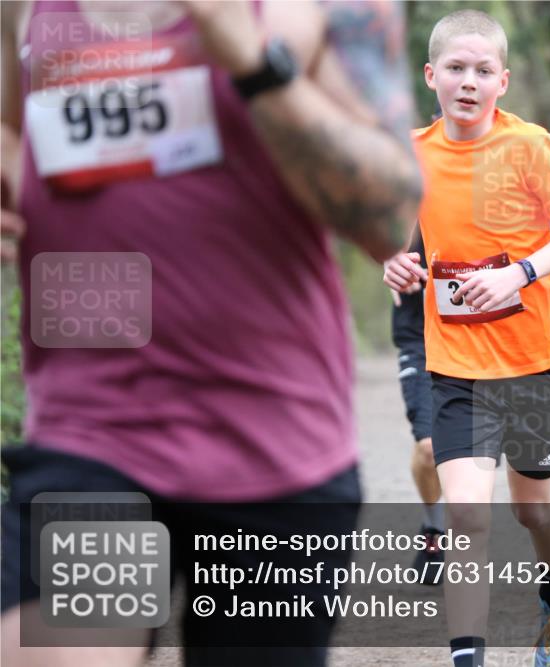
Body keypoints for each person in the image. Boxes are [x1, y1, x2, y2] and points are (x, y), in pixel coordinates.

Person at [0, 2, 421, 667]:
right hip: (93, 429)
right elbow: (10, 133)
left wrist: (256, 66)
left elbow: (390, 220)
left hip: (276, 443)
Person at [382, 10, 550, 667]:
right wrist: (393, 260)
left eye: (482, 71)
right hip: (455, 367)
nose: (468, 81)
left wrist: (521, 273)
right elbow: (396, 233)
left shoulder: (531, 146)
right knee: (467, 517)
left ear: (502, 81)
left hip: (535, 359)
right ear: (431, 76)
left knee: (532, 509)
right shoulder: (413, 153)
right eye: (456, 68)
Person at [389, 228, 446, 582]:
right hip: (419, 339)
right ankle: (435, 527)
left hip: (476, 341)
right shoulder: (414, 186)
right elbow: (378, 229)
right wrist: (391, 257)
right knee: (428, 448)